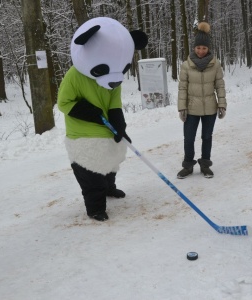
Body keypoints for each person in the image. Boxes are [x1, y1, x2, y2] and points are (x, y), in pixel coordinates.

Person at [58, 17, 148, 221]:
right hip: (83, 135)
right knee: (90, 174)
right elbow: (64, 103)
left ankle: (110, 188)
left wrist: (119, 123)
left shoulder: (115, 72)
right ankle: (95, 208)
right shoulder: (74, 76)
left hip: (106, 130)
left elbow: (114, 101)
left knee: (110, 164)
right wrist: (87, 111)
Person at [177, 22, 227, 179]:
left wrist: (222, 105)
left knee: (207, 137)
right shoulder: (186, 65)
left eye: (204, 48)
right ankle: (188, 165)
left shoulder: (215, 64)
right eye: (198, 48)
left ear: (208, 48)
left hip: (210, 108)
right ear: (194, 48)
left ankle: (205, 165)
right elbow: (182, 88)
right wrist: (182, 108)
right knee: (189, 138)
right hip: (191, 108)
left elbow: (220, 85)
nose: (201, 51)